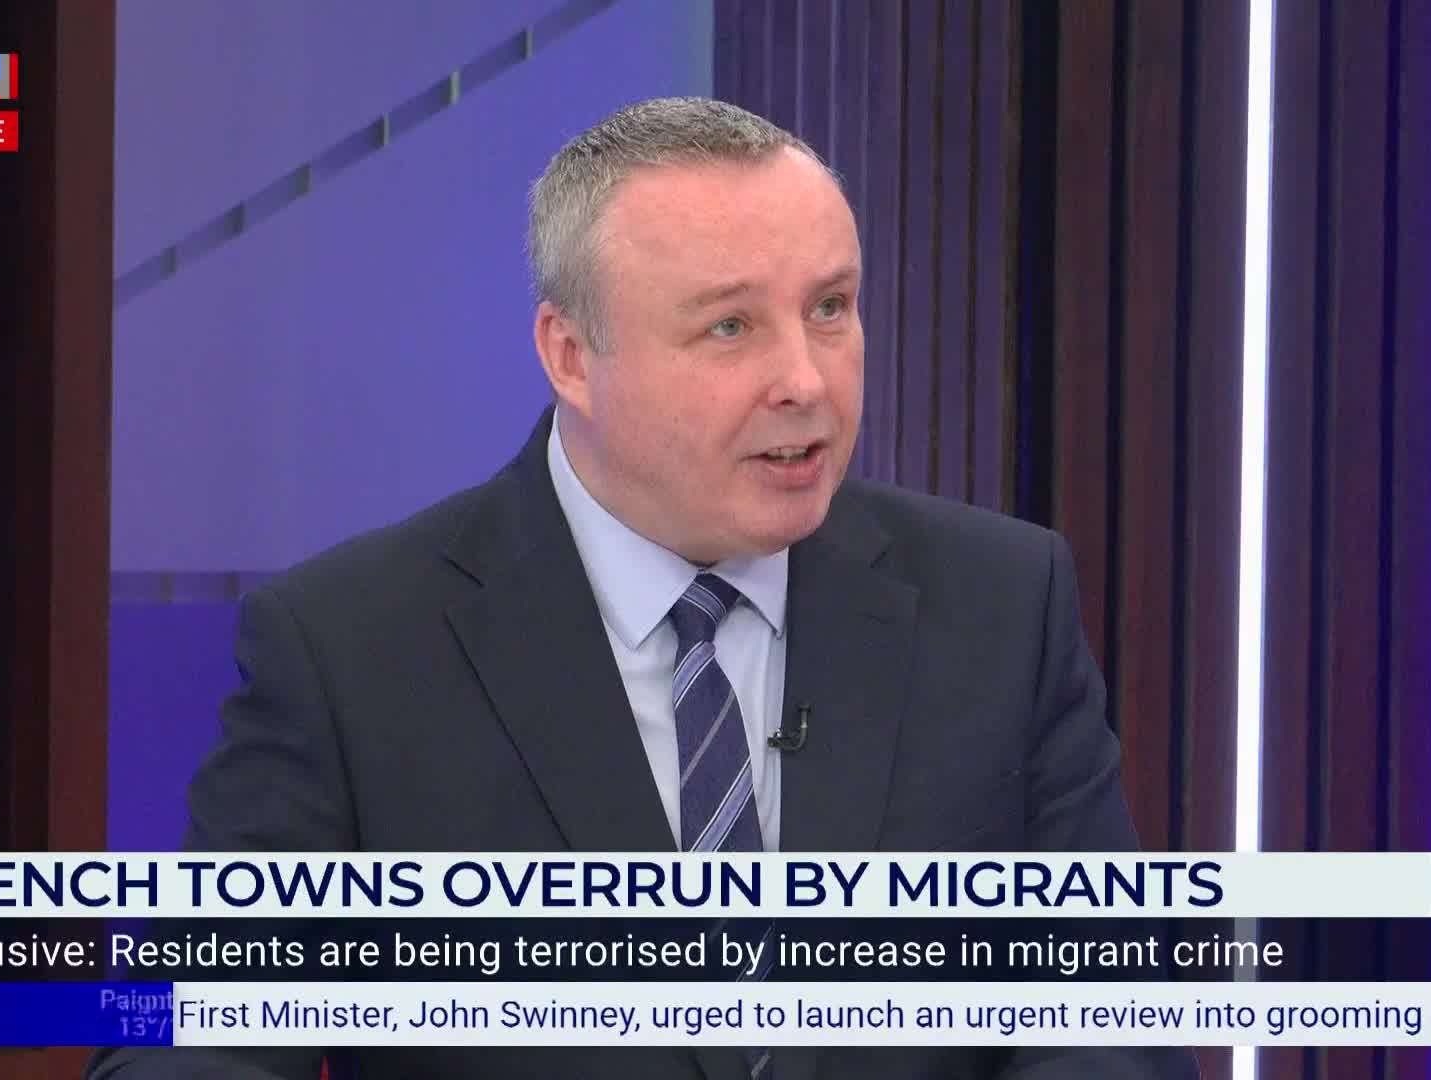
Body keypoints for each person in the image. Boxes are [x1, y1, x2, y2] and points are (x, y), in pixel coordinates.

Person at [90, 97, 1194, 1079]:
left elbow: (1108, 1020)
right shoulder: (351, 649)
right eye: (729, 326)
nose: (805, 380)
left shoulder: (1001, 604)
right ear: (571, 356)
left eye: (831, 307)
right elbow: (205, 1037)